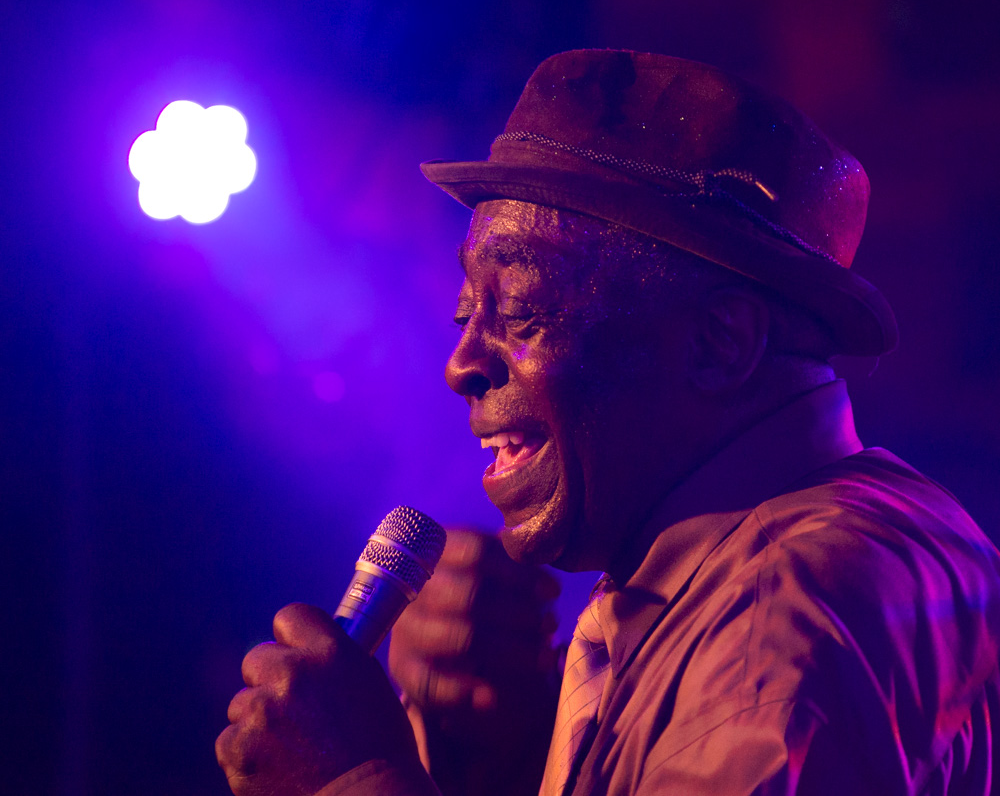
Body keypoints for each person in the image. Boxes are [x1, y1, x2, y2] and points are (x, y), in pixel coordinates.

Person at [215, 50, 1000, 795]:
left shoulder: (779, 611)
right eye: (464, 312)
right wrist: (503, 755)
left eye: (517, 310)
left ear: (718, 343)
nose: (460, 364)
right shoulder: (756, 569)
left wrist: (350, 779)